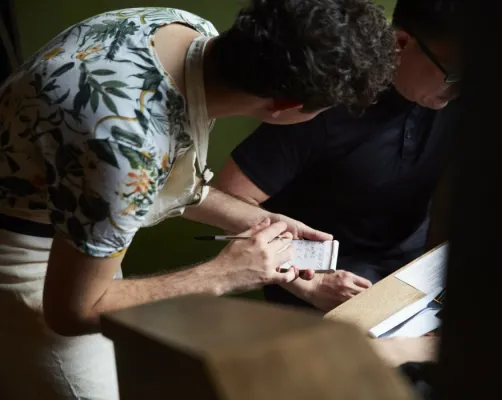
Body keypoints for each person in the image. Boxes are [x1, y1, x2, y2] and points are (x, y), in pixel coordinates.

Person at [0, 2, 396, 398]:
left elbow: (160, 173)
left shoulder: (182, 29)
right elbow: (73, 311)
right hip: (25, 252)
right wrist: (225, 274)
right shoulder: (124, 147)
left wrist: (259, 221)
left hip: (71, 215)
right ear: (283, 107)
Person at [214, 0, 461, 312]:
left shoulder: (453, 99)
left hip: (414, 266)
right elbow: (226, 197)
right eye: (453, 75)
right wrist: (306, 283)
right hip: (328, 274)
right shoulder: (327, 99)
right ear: (401, 43)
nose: (460, 89)